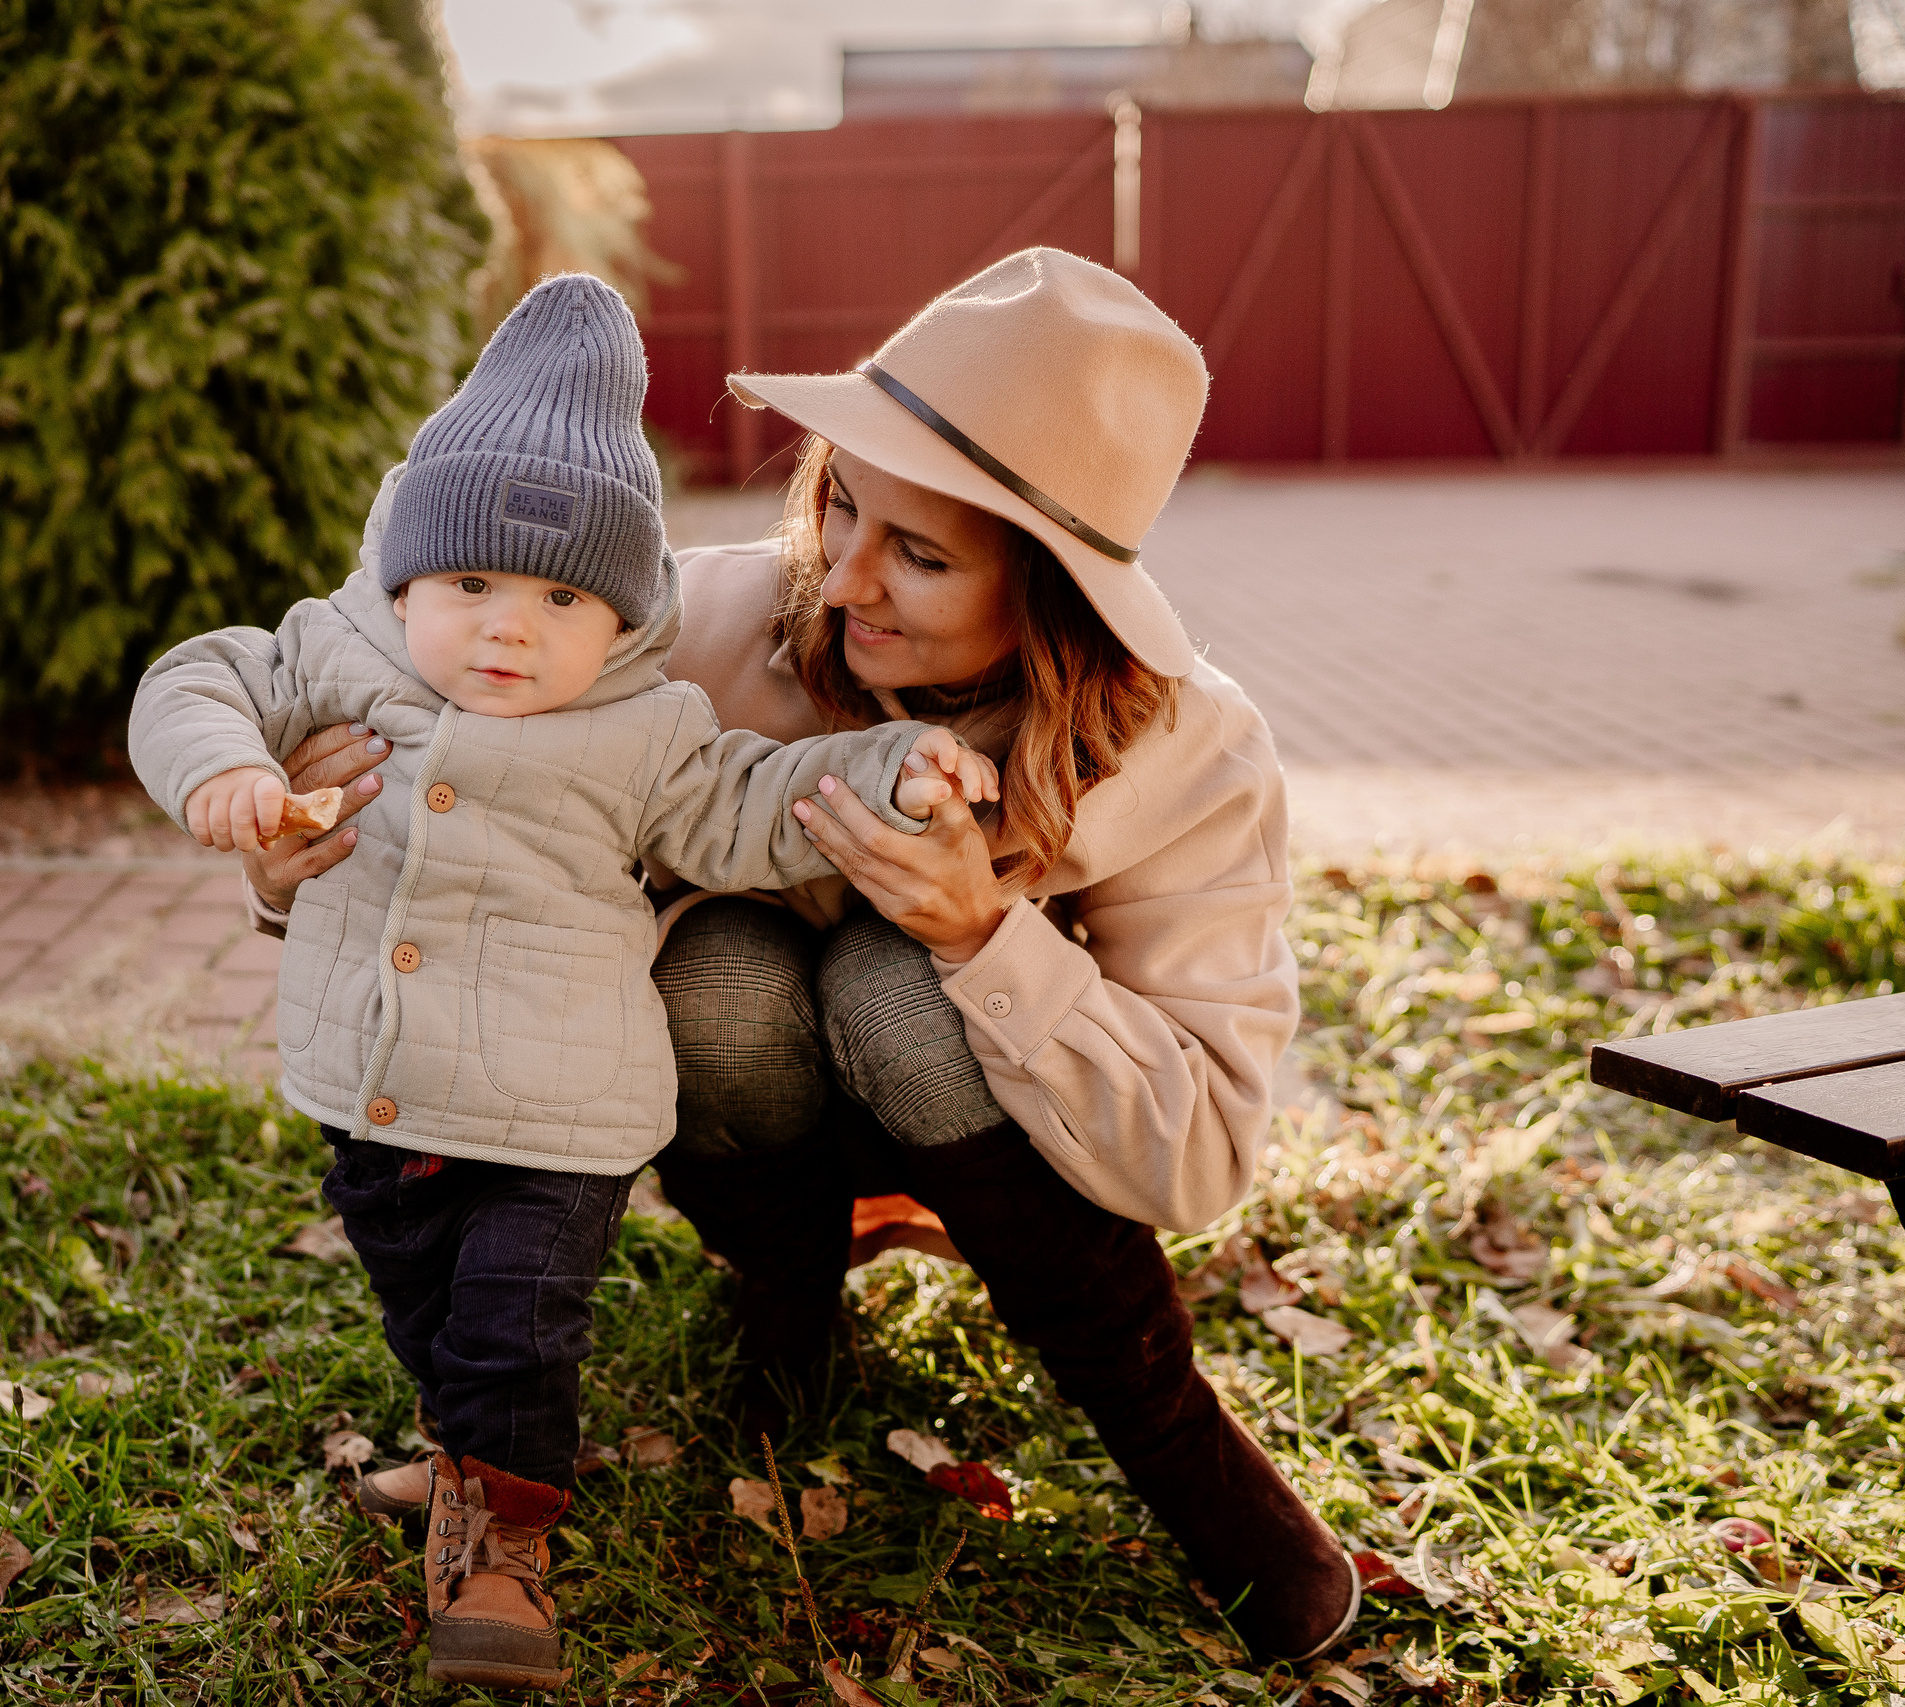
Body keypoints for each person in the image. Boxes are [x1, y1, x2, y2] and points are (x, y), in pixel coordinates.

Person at [230, 249, 1362, 1665]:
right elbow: (415, 702)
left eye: (924, 555)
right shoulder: (689, 630)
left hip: (997, 1133)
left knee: (897, 986)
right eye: (840, 500)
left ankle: (1177, 1441)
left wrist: (984, 937)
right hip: (743, 1097)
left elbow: (1195, 1157)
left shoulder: (1192, 755)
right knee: (720, 973)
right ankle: (787, 1299)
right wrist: (306, 859)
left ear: (1054, 595)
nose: (843, 578)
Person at [128, 274, 990, 1691]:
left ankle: (507, 1541)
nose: (506, 629)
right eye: (468, 585)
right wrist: (224, 767)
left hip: (557, 1114)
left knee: (519, 1321)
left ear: (627, 616)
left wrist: (887, 769)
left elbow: (756, 803)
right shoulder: (333, 658)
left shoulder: (646, 730)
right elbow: (193, 678)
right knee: (425, 1305)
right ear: (407, 577)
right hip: (378, 1086)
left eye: (560, 598)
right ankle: (466, 1455)